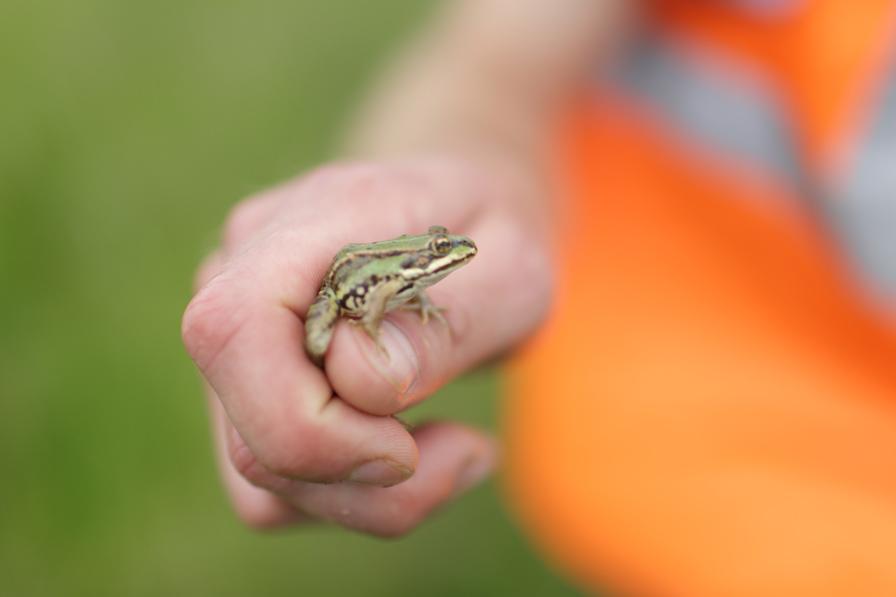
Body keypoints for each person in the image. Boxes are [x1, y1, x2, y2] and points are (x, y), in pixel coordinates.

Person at [182, 0, 896, 594]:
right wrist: (449, 176)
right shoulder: (414, 274)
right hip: (687, 500)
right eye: (443, 256)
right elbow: (491, 66)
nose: (450, 262)